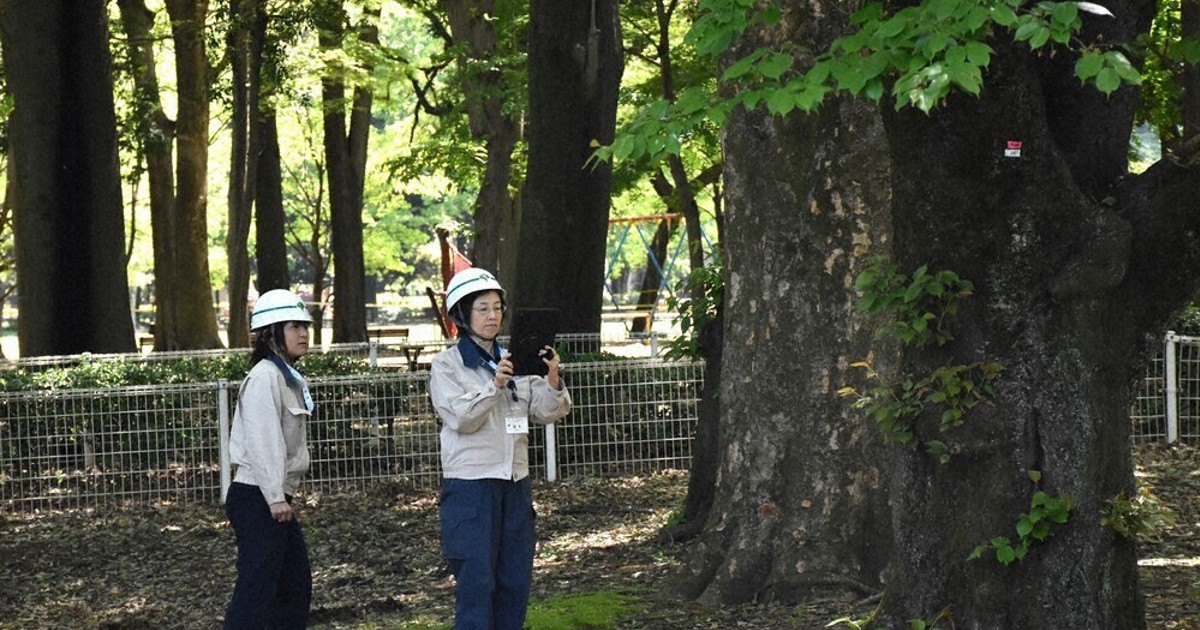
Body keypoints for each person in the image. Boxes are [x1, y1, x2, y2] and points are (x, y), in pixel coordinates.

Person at [429, 268, 572, 630]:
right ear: (462, 314)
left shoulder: (515, 360)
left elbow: (546, 411)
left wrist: (552, 378)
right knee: (477, 583)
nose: (492, 316)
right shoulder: (447, 365)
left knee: (514, 581)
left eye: (497, 308)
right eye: (482, 308)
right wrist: (494, 385)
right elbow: (460, 418)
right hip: (472, 488)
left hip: (515, 483)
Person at [224, 289, 316, 630]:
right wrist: (276, 498)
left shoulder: (285, 376)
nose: (304, 333)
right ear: (270, 334)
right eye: (293, 326)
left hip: (270, 496)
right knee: (257, 589)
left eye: (305, 325)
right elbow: (265, 442)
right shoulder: (266, 377)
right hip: (259, 497)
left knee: (293, 584)